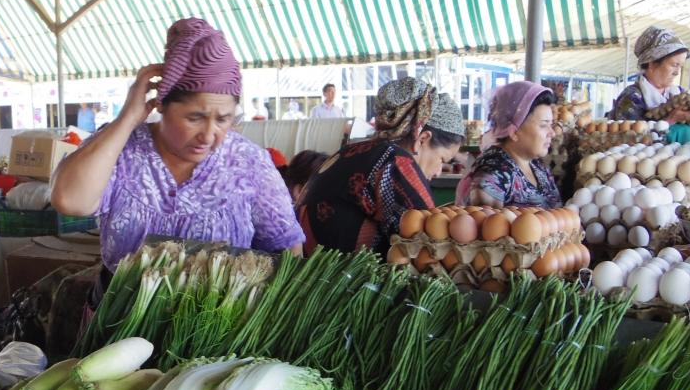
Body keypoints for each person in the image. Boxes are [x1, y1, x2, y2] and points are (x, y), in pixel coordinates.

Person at [50, 17, 304, 270]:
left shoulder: (248, 162)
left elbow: (287, 246)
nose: (208, 135)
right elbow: (70, 200)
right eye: (195, 118)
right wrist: (127, 119)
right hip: (123, 297)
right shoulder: (122, 150)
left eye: (223, 119)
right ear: (161, 104)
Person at [297, 78, 464, 255]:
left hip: (306, 265)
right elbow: (432, 245)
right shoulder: (397, 162)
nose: (438, 172)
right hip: (336, 271)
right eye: (442, 159)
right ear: (422, 139)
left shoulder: (352, 150)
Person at [458, 81, 561, 209]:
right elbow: (489, 220)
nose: (552, 133)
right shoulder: (493, 172)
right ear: (514, 131)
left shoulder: (537, 167)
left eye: (551, 124)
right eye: (544, 125)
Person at [610, 26, 690, 123]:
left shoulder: (679, 94)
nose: (677, 72)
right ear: (652, 64)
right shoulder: (631, 98)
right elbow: (627, 131)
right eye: (674, 65)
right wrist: (670, 120)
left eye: (681, 66)